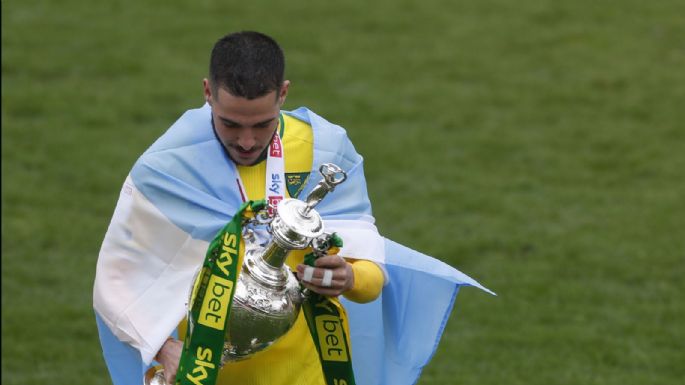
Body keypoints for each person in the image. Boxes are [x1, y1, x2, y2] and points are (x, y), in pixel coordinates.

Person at [94, 31, 492, 385]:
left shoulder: (326, 153)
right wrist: (163, 348)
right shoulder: (168, 166)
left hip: (307, 372)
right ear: (207, 93)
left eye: (263, 124)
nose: (247, 141)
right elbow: (118, 278)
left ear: (283, 94)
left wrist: (348, 278)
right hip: (206, 373)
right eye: (231, 124)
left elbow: (371, 272)